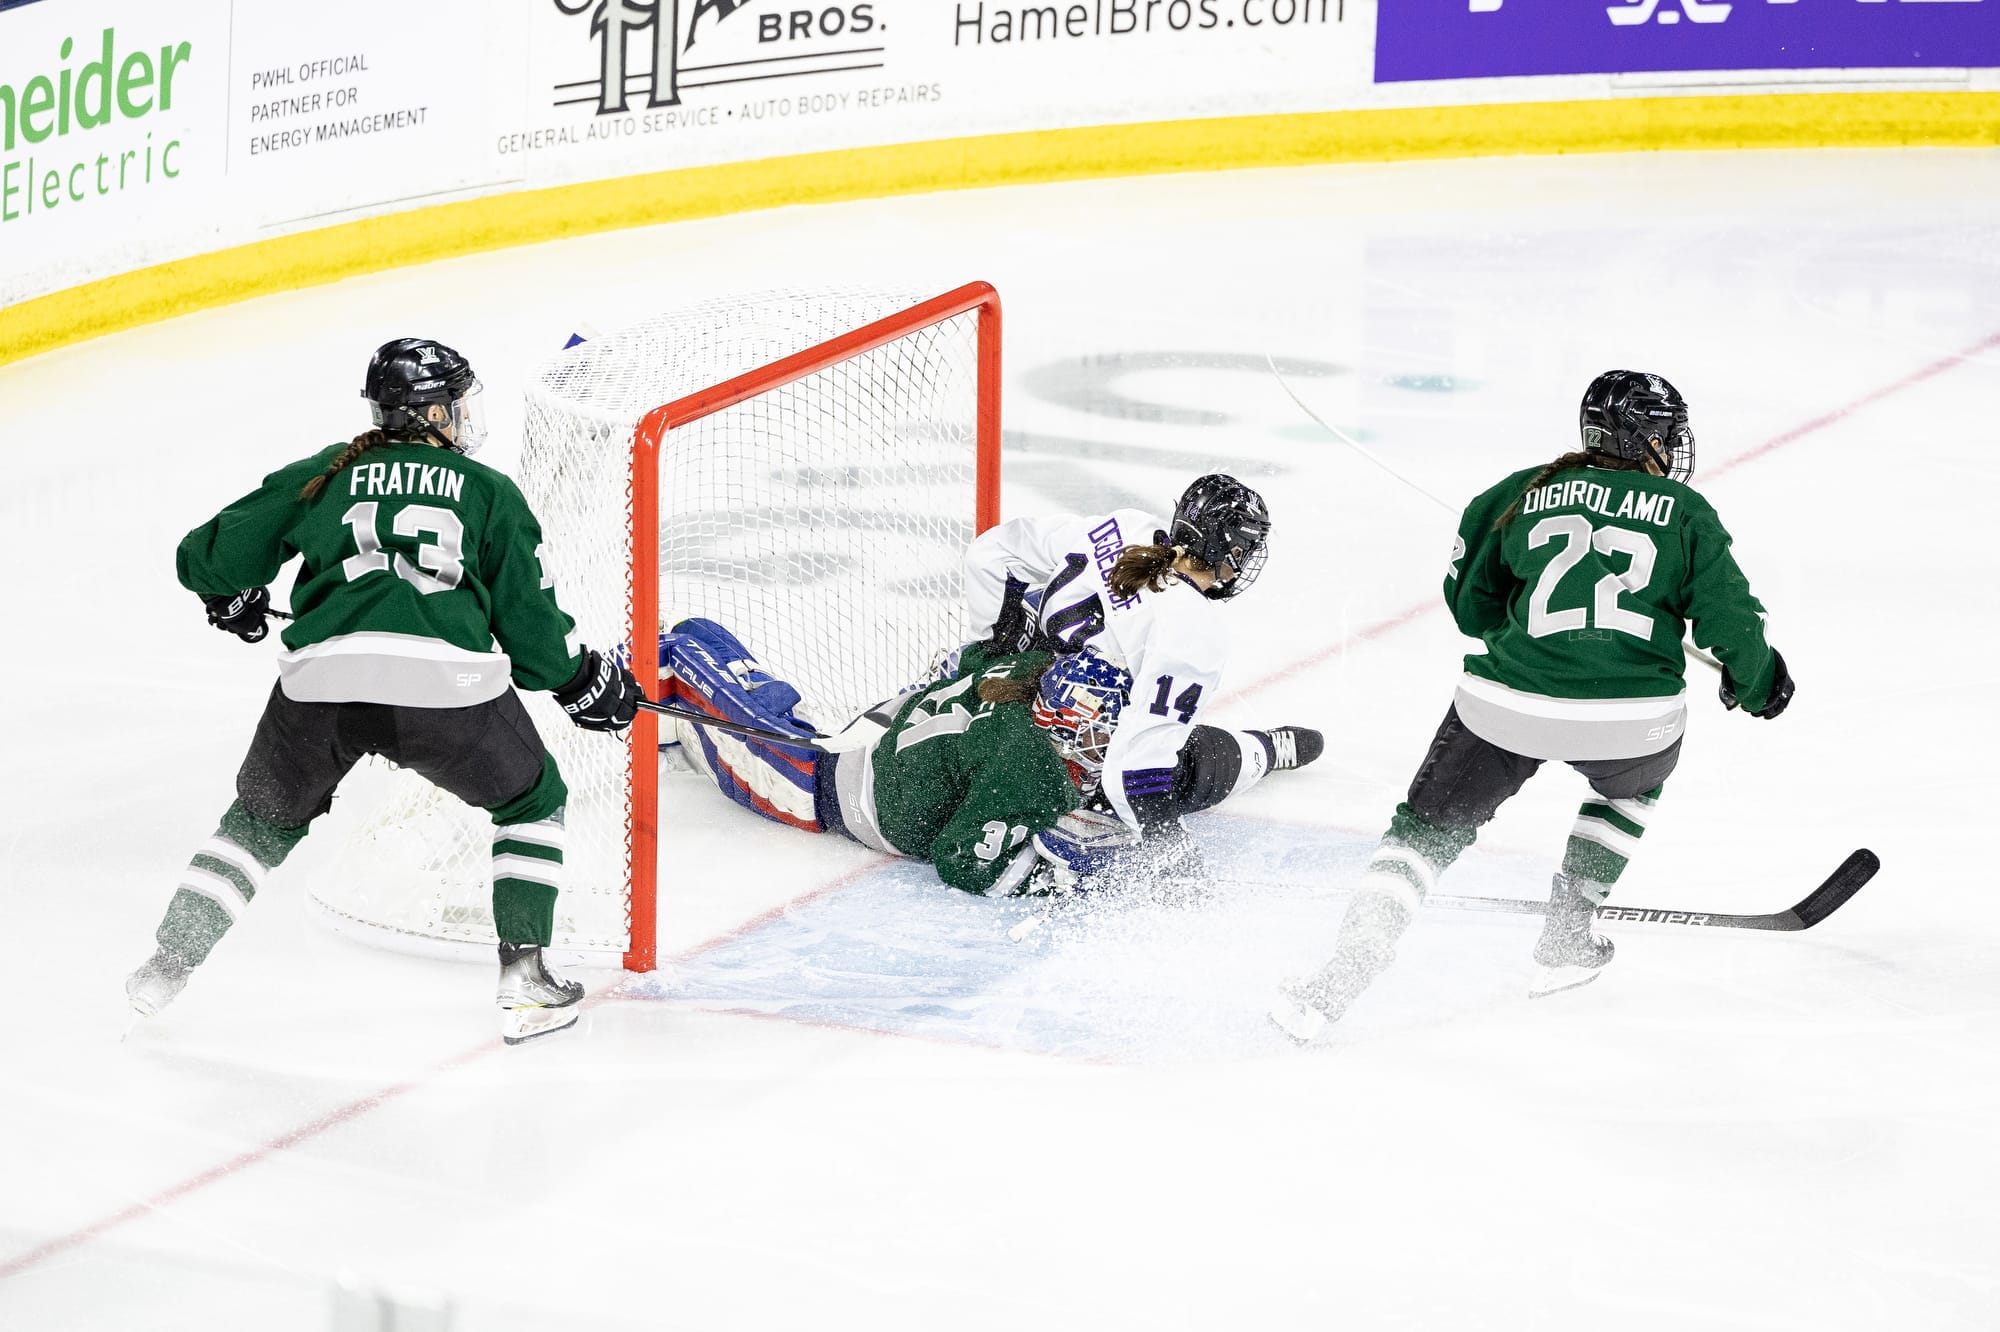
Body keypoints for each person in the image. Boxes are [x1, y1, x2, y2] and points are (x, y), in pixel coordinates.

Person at [125, 338, 642, 1045]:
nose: (465, 420)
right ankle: (525, 981)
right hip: (446, 695)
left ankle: (166, 963)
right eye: (457, 406)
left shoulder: (327, 473)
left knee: (257, 824)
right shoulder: (489, 492)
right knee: (532, 799)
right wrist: (581, 680)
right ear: (433, 412)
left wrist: (234, 593)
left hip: (322, 690)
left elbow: (205, 554)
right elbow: (532, 634)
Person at [1270, 370, 1795, 1042]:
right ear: (1646, 437)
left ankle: (1342, 972)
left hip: (1503, 706)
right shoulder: (1684, 513)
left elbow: (1470, 611)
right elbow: (1733, 623)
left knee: (1423, 834)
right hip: (1630, 722)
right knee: (1630, 789)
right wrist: (1759, 682)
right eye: (1666, 433)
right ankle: (1569, 933)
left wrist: (1536, 638)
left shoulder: (1518, 492)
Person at [962, 474, 1323, 849]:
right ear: (1230, 552)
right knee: (1194, 762)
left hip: (1008, 701)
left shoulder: (1126, 528)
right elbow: (1136, 769)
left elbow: (990, 555)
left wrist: (995, 658)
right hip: (1070, 757)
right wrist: (1170, 855)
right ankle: (1263, 750)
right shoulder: (1193, 627)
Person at [656, 617, 1138, 896]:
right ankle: (648, 663)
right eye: (1098, 733)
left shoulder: (1031, 670)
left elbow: (967, 659)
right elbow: (961, 858)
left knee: (742, 679)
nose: (1107, 746)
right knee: (706, 704)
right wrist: (1052, 879)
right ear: (1057, 719)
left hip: (876, 740)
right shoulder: (1027, 763)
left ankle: (688, 638)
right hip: (817, 787)